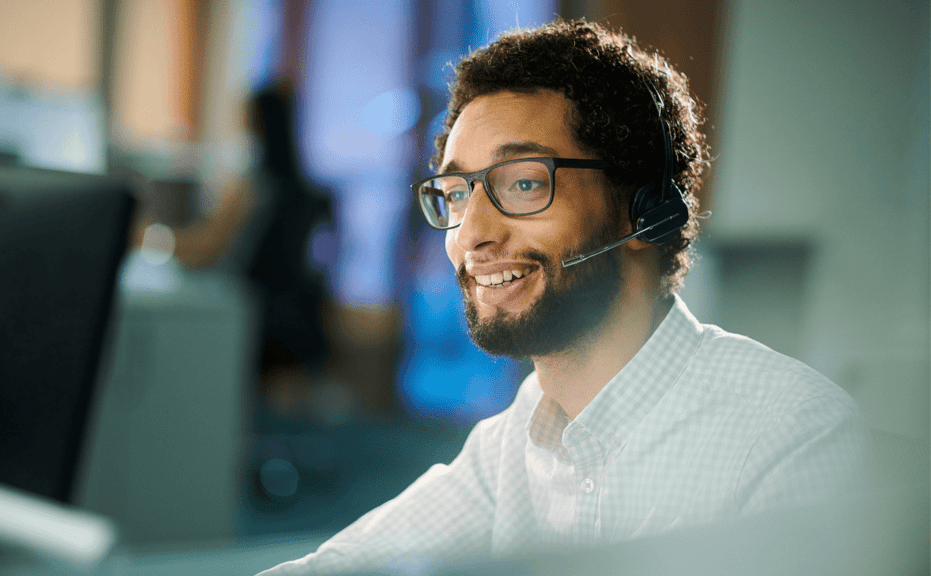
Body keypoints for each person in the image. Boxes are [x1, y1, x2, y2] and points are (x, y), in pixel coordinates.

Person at [258, 19, 872, 575]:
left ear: (645, 212)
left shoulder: (789, 439)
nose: (470, 234)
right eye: (456, 193)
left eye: (523, 183)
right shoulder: (522, 433)